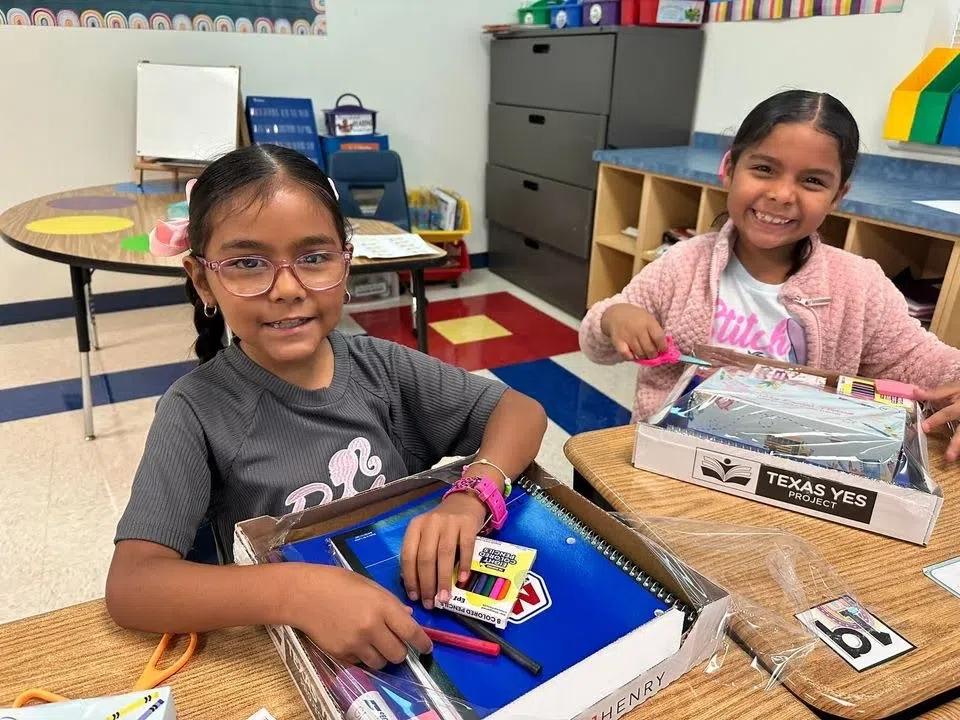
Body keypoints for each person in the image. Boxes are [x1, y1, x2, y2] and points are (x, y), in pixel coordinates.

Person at [105, 144, 547, 670]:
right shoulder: (195, 410)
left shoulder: (380, 367)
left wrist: (472, 495)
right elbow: (133, 585)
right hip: (293, 656)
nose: (288, 289)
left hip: (412, 624)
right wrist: (296, 594)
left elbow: (520, 411)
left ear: (347, 262)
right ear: (203, 280)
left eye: (313, 258)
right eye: (248, 263)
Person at [579, 89, 960, 459]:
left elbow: (929, 363)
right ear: (729, 170)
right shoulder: (681, 265)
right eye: (764, 169)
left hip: (794, 475)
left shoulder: (859, 286)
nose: (781, 194)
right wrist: (615, 318)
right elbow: (596, 344)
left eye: (812, 181)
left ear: (838, 196)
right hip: (670, 458)